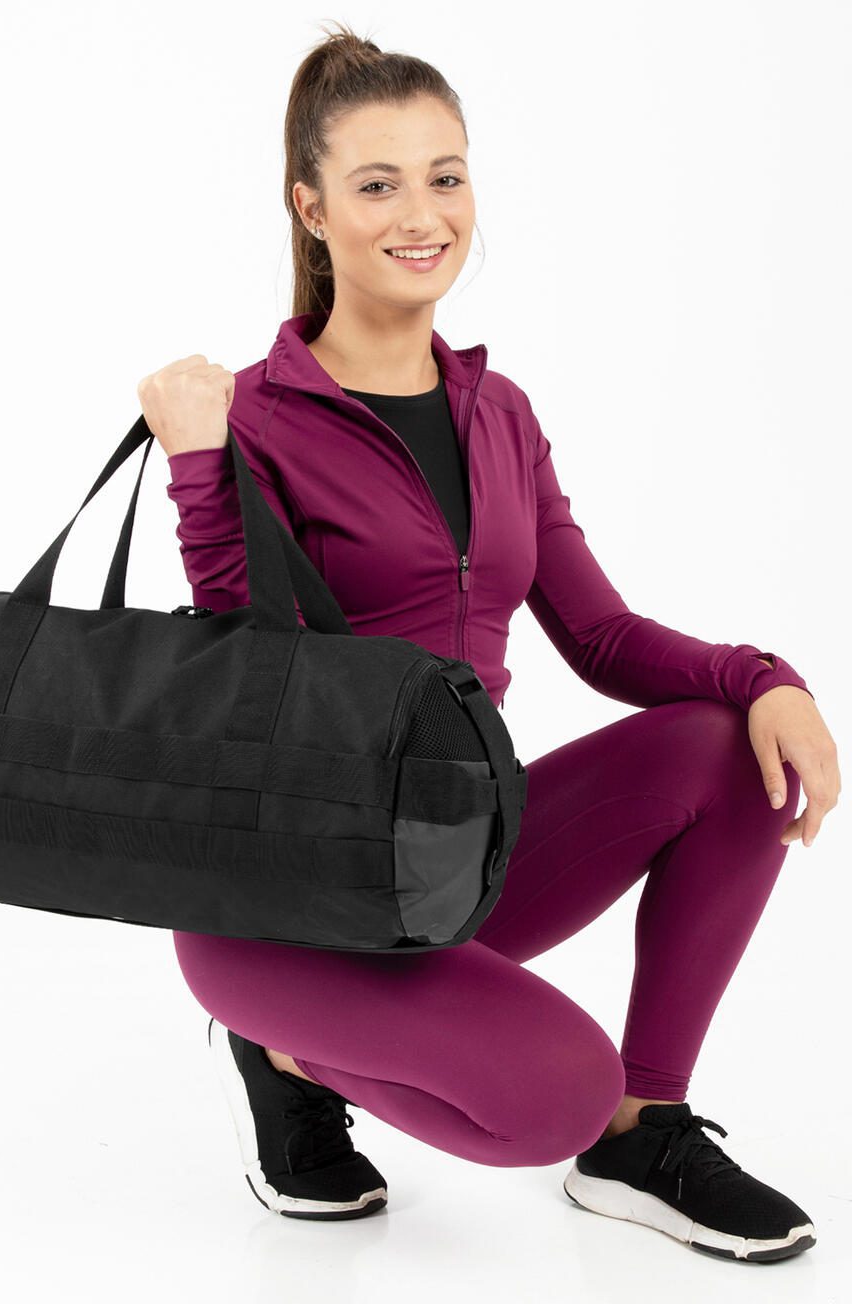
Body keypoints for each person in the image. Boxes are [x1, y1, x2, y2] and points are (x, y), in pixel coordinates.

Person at [138, 22, 839, 1259]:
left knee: (730, 745)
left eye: (445, 176)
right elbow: (250, 667)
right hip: (283, 895)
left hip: (449, 859)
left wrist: (766, 678)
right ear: (310, 208)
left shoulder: (497, 411)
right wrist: (200, 463)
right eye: (377, 183)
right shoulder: (252, 416)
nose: (423, 215)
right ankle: (286, 1048)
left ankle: (642, 1133)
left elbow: (601, 634)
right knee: (548, 1094)